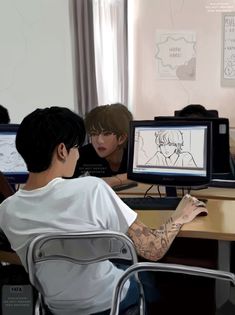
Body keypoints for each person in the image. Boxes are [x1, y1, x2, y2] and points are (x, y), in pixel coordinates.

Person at [0, 106, 208, 315]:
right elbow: (153, 249)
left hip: (56, 308)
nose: (78, 155)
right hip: (110, 302)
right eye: (76, 147)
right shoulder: (91, 189)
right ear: (62, 150)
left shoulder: (7, 210)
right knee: (151, 279)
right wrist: (180, 216)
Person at [72, 103, 133, 187]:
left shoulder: (134, 151)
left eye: (106, 134)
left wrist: (115, 180)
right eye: (94, 134)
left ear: (121, 138)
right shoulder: (85, 153)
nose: (99, 141)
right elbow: (61, 179)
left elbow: (147, 174)